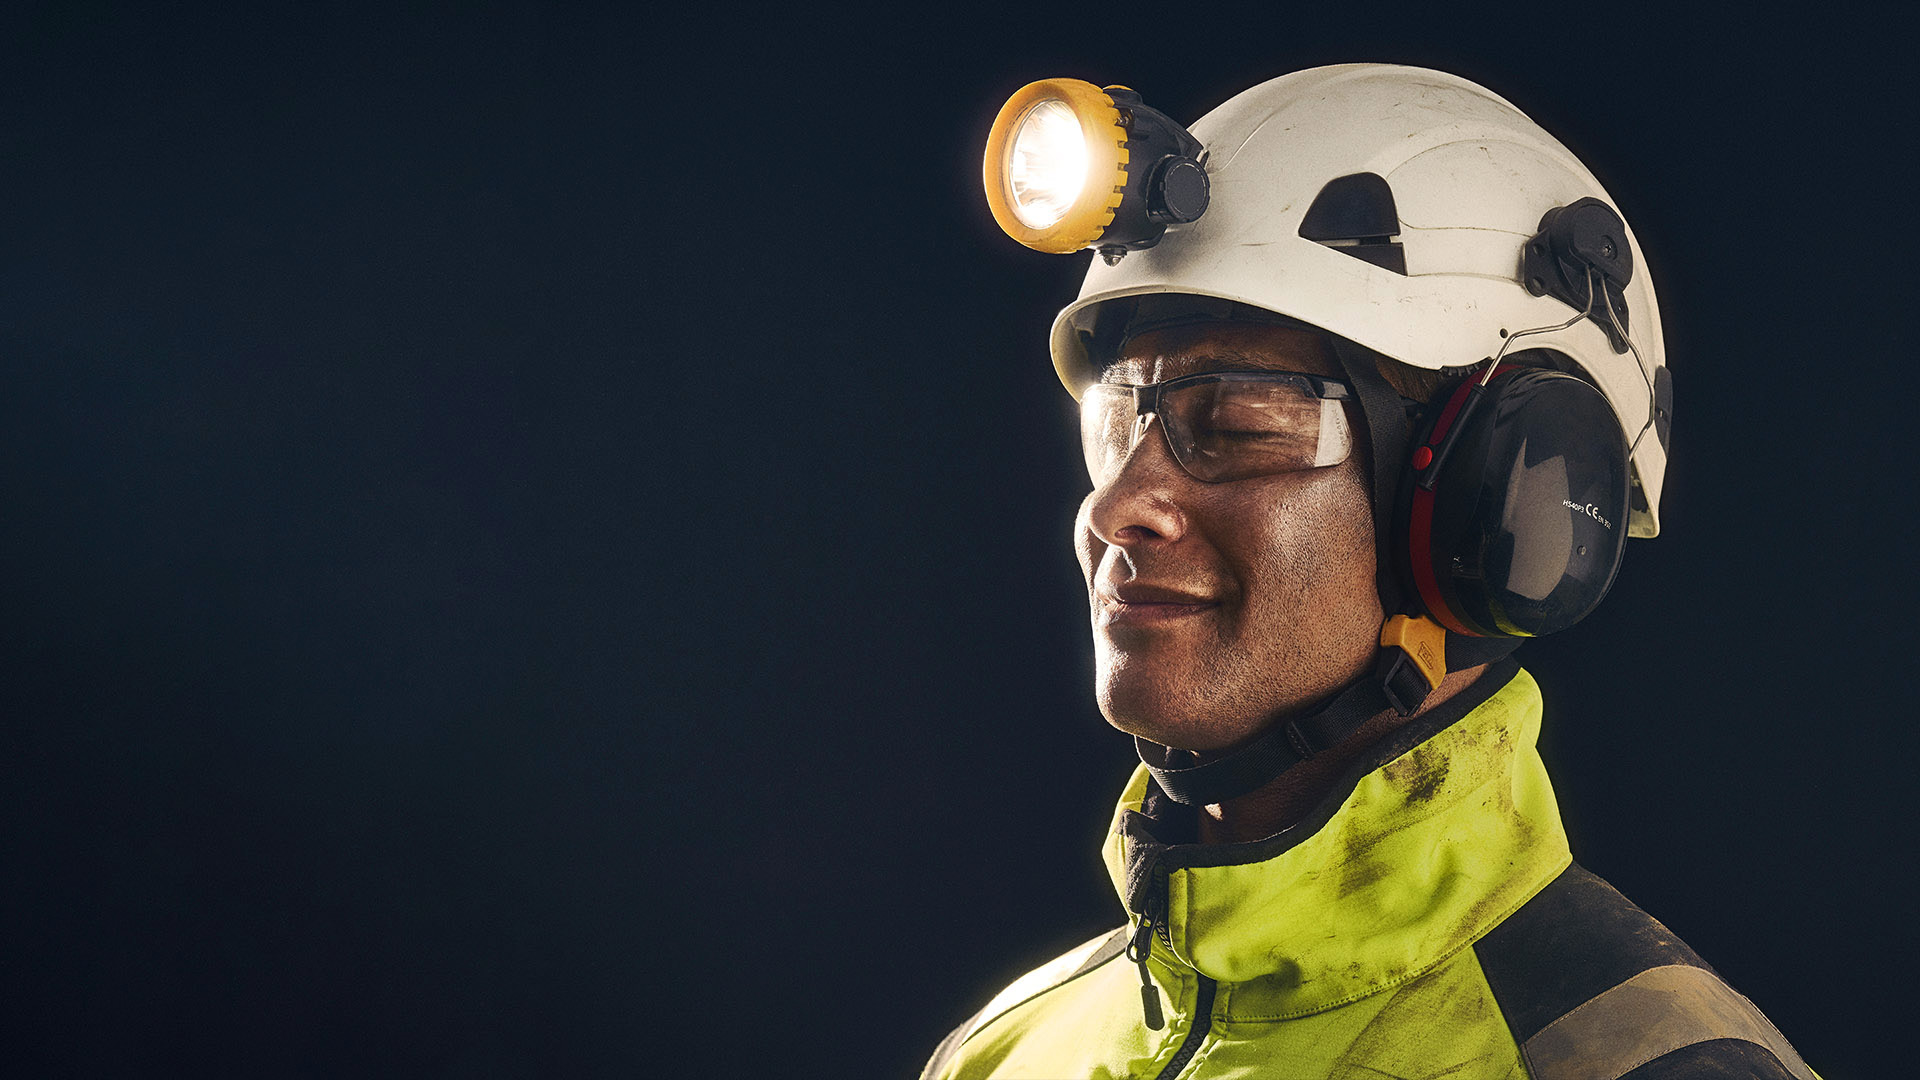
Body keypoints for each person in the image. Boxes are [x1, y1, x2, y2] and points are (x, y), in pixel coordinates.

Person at [923, 64, 1817, 1079]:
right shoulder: (1002, 1053)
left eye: (1238, 426)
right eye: (1117, 427)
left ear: (1497, 506)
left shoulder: (1649, 1063)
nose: (1115, 507)